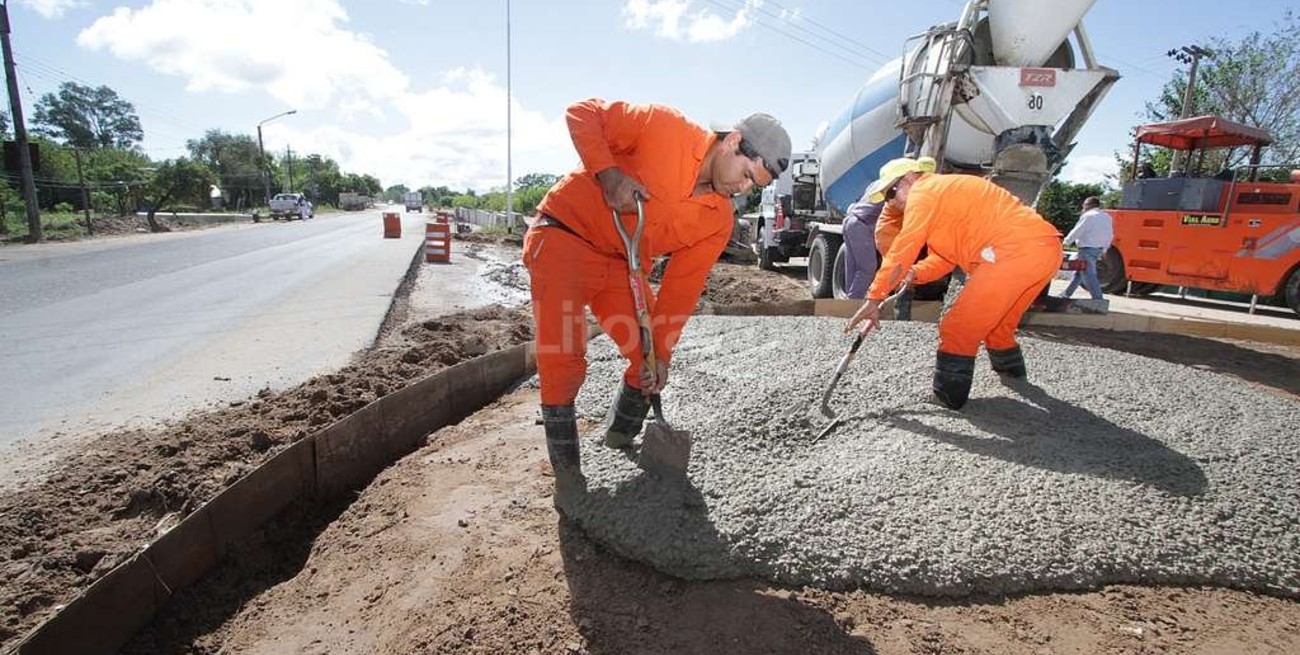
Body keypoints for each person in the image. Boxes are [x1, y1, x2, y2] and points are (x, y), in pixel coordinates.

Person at [525, 98, 791, 504]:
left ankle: (618, 439)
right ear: (733, 141)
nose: (743, 188)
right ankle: (568, 479)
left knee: (646, 359)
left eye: (754, 187)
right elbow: (583, 113)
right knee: (562, 355)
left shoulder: (717, 220)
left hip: (621, 265)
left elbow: (680, 290)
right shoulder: (663, 128)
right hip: (565, 239)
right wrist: (609, 174)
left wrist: (662, 354)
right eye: (746, 175)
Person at [845, 157, 1062, 410]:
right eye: (887, 199)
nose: (893, 202)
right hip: (1045, 250)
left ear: (909, 178)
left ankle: (947, 398)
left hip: (1012, 253)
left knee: (957, 328)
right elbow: (944, 259)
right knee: (999, 327)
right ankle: (1015, 381)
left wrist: (875, 297)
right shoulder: (945, 198)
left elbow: (904, 247)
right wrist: (914, 273)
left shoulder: (925, 191)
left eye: (891, 192)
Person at [1059, 196, 1112, 301]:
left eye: (1084, 205)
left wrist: (1065, 242)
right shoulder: (1107, 217)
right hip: (1098, 249)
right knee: (1079, 273)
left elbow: (1078, 230)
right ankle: (1066, 294)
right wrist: (1105, 249)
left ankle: (1098, 299)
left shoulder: (1088, 216)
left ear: (1089, 205)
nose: (1083, 207)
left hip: (1087, 249)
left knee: (1089, 275)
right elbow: (1109, 234)